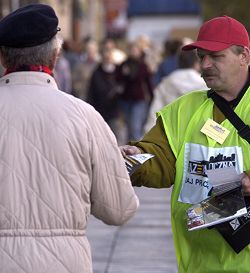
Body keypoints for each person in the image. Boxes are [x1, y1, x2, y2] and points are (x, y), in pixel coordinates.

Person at [120, 15, 250, 273]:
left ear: (243, 55)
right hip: (201, 262)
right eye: (201, 56)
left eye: (215, 56)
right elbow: (161, 157)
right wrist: (135, 158)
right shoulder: (182, 110)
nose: (205, 65)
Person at [0, 4, 139, 273]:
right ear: (55, 55)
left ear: (4, 58)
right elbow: (118, 209)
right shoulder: (84, 116)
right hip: (63, 263)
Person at [144, 50, 208, 131]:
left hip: (169, 130)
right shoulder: (204, 84)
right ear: (196, 64)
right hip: (195, 130)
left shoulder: (166, 82)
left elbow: (155, 109)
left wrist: (149, 132)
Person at [116, 41, 153, 141]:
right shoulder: (123, 65)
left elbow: (148, 82)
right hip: (126, 98)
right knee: (128, 126)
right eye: (131, 50)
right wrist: (124, 74)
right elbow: (117, 79)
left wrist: (151, 96)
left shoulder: (143, 66)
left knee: (135, 126)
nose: (133, 52)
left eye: (135, 50)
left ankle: (136, 149)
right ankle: (129, 148)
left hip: (139, 99)